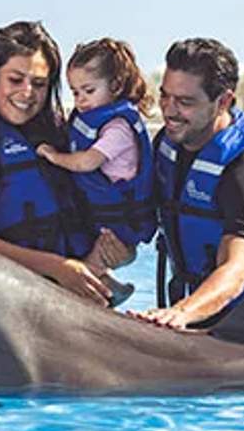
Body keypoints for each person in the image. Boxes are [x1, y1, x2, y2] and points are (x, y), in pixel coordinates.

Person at [0, 21, 128, 308]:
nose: (27, 92)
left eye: (39, 83)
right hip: (14, 303)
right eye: (15, 79)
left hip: (78, 294)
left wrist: (110, 248)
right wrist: (57, 267)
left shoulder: (60, 134)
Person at [133, 38, 244, 331]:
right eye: (165, 96)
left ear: (223, 101)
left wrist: (182, 312)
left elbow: (235, 270)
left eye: (185, 102)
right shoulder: (168, 145)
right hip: (204, 316)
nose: (169, 111)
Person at [35, 39, 157, 301]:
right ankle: (110, 286)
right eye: (75, 92)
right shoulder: (91, 118)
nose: (80, 100)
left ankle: (103, 293)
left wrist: (54, 156)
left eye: (88, 90)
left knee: (86, 269)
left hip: (120, 222)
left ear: (115, 86)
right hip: (101, 214)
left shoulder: (118, 128)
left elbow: (86, 162)